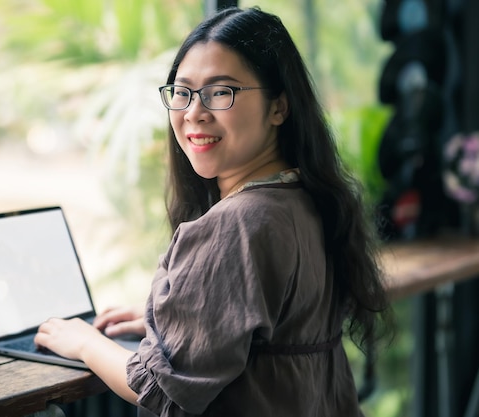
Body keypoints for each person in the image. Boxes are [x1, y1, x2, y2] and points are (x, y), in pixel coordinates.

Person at [35, 6, 391, 416]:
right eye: (182, 91)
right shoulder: (305, 199)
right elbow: (274, 335)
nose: (193, 113)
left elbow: (159, 390)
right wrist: (176, 324)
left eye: (221, 92)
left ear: (279, 107)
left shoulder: (238, 223)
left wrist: (84, 341)